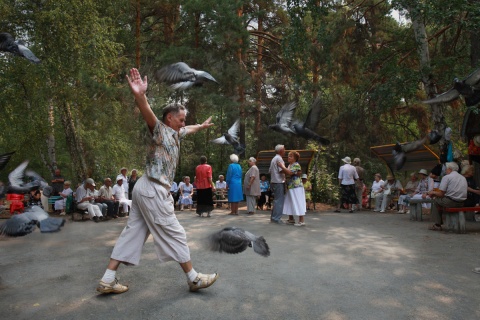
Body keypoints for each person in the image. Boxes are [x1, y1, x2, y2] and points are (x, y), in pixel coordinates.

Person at [96, 68, 217, 295]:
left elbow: (186, 130)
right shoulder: (161, 131)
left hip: (144, 186)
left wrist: (199, 127)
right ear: (169, 119)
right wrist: (140, 96)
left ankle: (107, 279)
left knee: (133, 233)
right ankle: (193, 278)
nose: (183, 123)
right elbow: (147, 113)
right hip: (153, 189)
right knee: (175, 232)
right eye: (181, 120)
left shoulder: (175, 133)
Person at [427, 162, 467, 231]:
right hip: (462, 202)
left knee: (436, 201)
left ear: (449, 169)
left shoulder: (447, 177)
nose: (445, 170)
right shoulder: (463, 177)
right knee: (440, 199)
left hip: (451, 202)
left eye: (446, 169)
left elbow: (441, 194)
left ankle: (437, 224)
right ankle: (439, 222)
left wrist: (432, 192)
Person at [278, 151, 306, 226]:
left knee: (297, 201)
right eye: (288, 156)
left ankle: (301, 220)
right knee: (289, 201)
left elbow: (290, 173)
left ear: (295, 158)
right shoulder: (290, 165)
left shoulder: (296, 165)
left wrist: (282, 166)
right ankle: (291, 218)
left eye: (291, 156)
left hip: (296, 187)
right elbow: (286, 171)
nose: (289, 157)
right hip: (291, 186)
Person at [269, 144, 286, 223]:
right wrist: (289, 171)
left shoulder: (274, 158)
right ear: (280, 151)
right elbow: (281, 170)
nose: (285, 151)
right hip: (278, 181)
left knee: (276, 200)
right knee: (279, 200)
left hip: (273, 181)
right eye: (284, 149)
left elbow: (270, 171)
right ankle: (276, 218)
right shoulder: (279, 158)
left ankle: (273, 217)